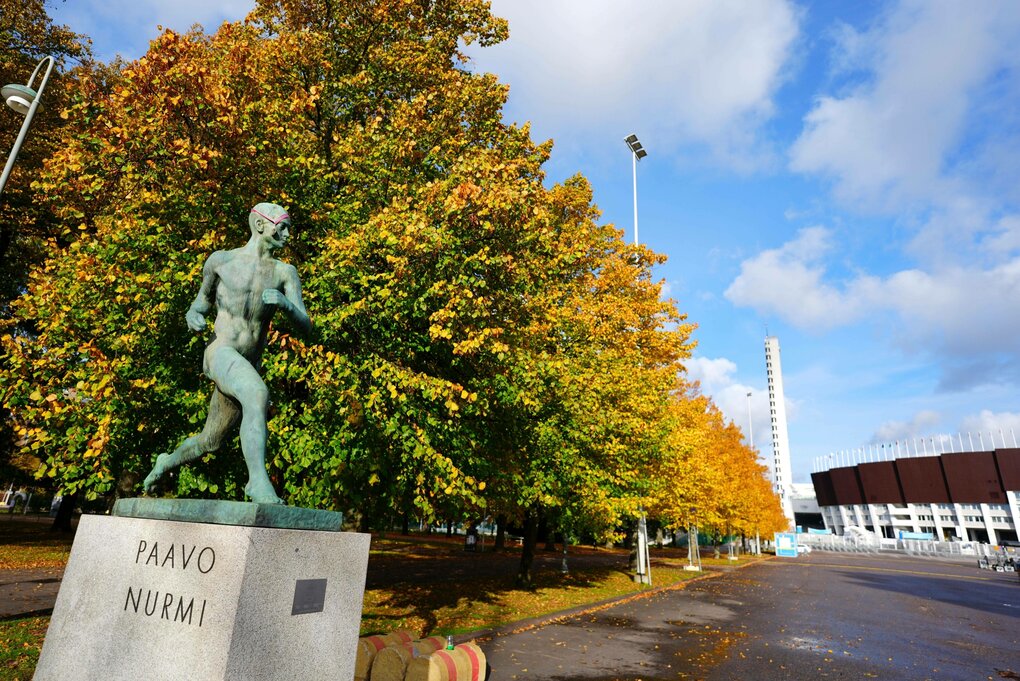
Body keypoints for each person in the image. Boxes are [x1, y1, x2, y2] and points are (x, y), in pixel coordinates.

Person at [143, 203, 311, 504]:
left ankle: (165, 462)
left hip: (246, 364)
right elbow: (200, 304)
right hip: (219, 352)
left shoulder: (285, 273)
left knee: (210, 441)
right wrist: (192, 316)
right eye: (282, 226)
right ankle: (257, 482)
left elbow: (307, 325)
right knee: (257, 394)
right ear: (260, 225)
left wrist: (286, 305)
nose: (287, 234)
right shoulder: (220, 261)